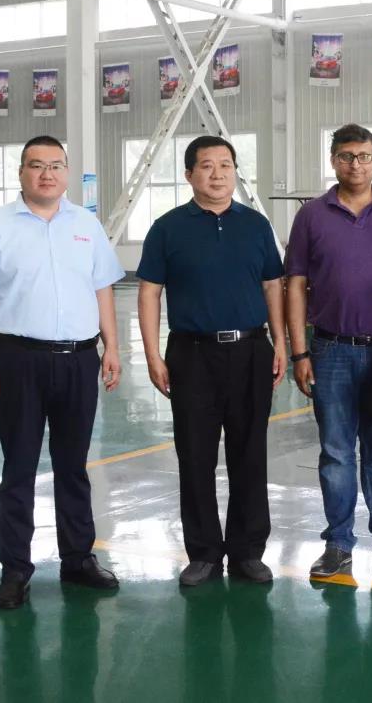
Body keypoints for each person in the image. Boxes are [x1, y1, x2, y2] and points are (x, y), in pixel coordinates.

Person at [0, 135, 124, 610]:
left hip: (79, 359)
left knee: (73, 466)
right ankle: (15, 569)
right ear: (21, 173)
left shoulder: (87, 226)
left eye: (55, 165)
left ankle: (78, 559)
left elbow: (102, 289)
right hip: (18, 361)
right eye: (36, 165)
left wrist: (112, 347)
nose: (46, 174)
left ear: (67, 173)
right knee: (19, 468)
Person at [136, 135, 286, 587]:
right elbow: (149, 293)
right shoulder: (167, 228)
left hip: (250, 350)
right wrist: (152, 354)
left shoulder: (256, 226)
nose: (217, 174)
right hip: (192, 354)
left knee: (250, 453)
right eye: (206, 166)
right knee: (195, 454)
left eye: (226, 165)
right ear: (189, 175)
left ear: (235, 172)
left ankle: (247, 551)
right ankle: (202, 553)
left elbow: (272, 286)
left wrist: (280, 342)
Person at [285, 123, 372, 578]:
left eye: (364, 156)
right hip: (330, 351)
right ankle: (338, 543)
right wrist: (299, 353)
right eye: (347, 156)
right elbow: (295, 285)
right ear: (333, 160)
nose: (356, 164)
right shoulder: (312, 216)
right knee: (336, 453)